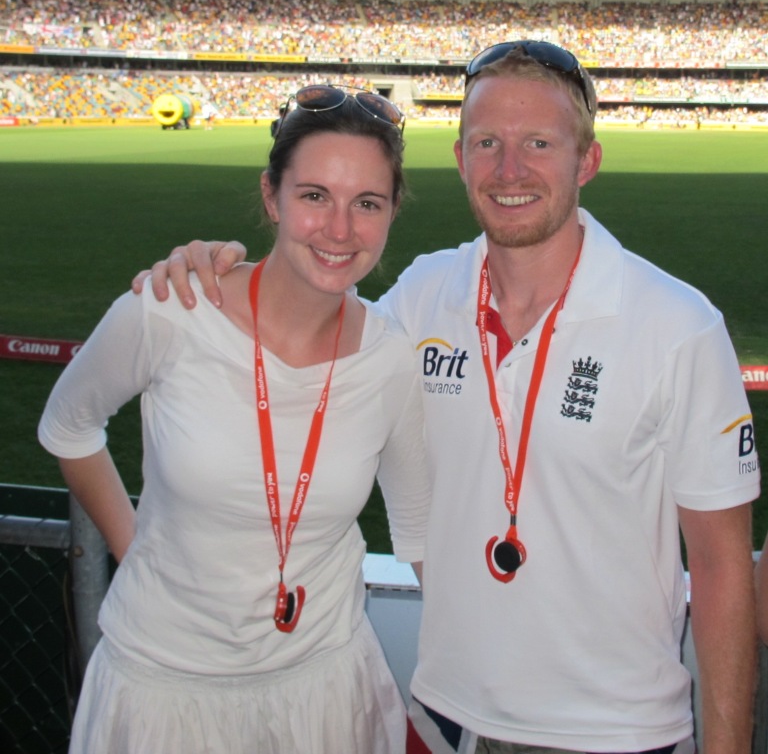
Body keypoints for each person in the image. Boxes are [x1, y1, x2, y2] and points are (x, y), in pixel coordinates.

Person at [135, 42, 760, 754]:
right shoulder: (424, 297)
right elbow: (305, 328)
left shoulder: (677, 326)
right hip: (443, 715)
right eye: (487, 143)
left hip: (617, 730)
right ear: (461, 159)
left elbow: (718, 566)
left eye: (539, 144)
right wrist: (213, 273)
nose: (509, 170)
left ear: (586, 160)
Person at [39, 85, 429, 754]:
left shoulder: (391, 359)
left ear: (393, 212)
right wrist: (132, 546)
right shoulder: (169, 309)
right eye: (314, 196)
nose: (340, 229)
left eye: (367, 203)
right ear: (272, 197)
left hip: (324, 690)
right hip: (162, 690)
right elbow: (68, 425)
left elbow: (421, 528)